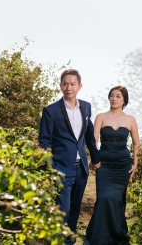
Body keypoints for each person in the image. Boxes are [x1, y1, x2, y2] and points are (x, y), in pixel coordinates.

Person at [39, 69, 101, 245]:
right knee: (63, 210)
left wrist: (95, 159)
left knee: (75, 208)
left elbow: (89, 136)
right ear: (60, 86)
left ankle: (70, 240)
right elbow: (45, 141)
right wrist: (51, 168)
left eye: (73, 84)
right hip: (61, 168)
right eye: (65, 84)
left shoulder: (86, 107)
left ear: (79, 86)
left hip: (81, 168)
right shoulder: (50, 111)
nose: (69, 87)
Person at [84, 85, 140, 245]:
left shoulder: (130, 120)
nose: (113, 99)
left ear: (124, 100)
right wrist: (94, 159)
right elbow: (93, 140)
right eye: (111, 96)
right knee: (103, 198)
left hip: (123, 165)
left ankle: (116, 235)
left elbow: (136, 144)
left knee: (116, 200)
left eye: (118, 96)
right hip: (104, 165)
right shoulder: (101, 117)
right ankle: (100, 236)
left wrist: (135, 164)